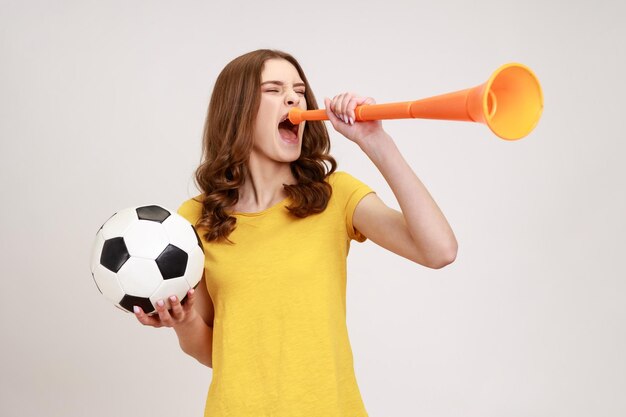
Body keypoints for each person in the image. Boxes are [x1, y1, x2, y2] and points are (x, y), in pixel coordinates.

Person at [133, 49, 457, 416]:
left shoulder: (336, 194)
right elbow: (215, 352)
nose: (293, 98)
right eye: (273, 89)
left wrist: (375, 141)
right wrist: (186, 321)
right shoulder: (194, 218)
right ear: (236, 111)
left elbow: (439, 250)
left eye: (299, 90)